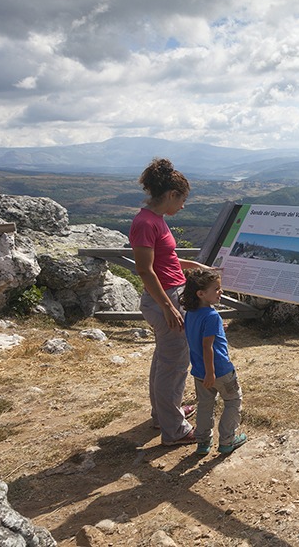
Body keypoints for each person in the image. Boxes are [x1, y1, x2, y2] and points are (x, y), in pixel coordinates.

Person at [130, 158, 207, 446]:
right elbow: (144, 270)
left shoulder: (156, 220)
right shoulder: (145, 223)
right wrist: (168, 306)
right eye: (183, 200)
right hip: (164, 298)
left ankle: (164, 414)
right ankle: (174, 429)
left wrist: (198, 267)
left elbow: (168, 260)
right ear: (171, 194)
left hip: (170, 294)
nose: (183, 207)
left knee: (165, 359)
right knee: (174, 364)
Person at [180, 268, 246, 455]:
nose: (221, 291)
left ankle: (202, 443)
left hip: (199, 371)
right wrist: (212, 373)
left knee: (205, 405)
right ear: (201, 293)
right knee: (233, 400)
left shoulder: (191, 313)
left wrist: (218, 329)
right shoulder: (211, 316)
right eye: (216, 288)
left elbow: (200, 335)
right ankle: (227, 441)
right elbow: (207, 346)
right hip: (220, 371)